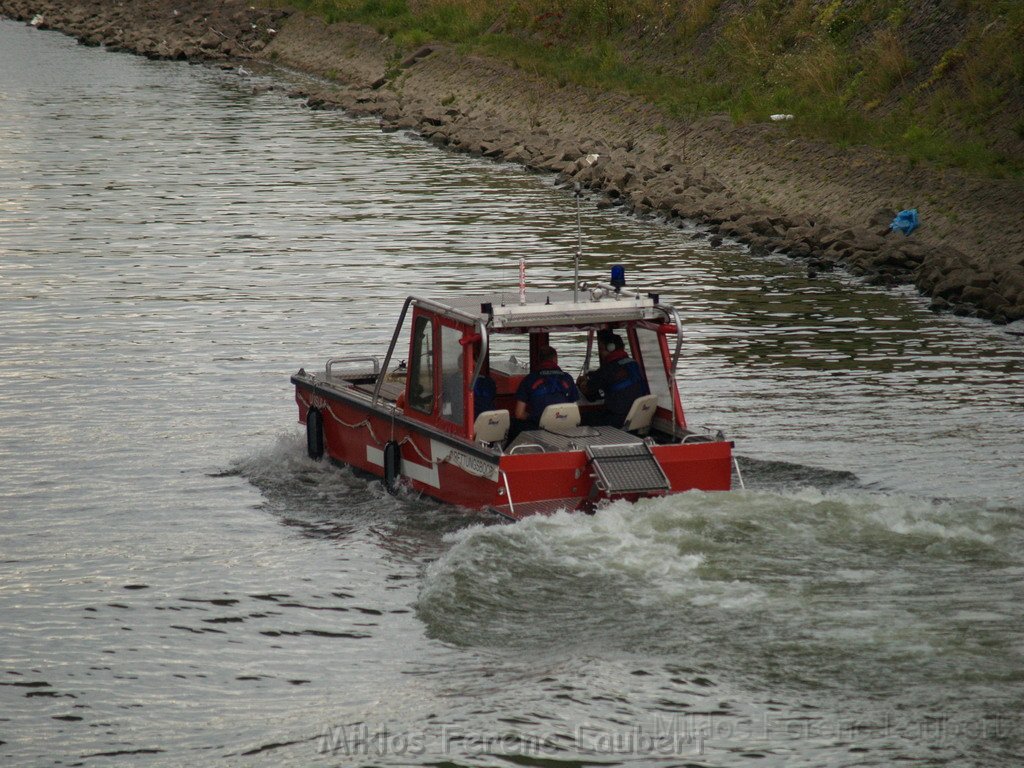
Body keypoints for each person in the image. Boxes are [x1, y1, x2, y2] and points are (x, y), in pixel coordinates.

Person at [577, 330, 649, 428]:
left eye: (601, 349)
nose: (601, 353)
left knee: (581, 417)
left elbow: (590, 393)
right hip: (638, 415)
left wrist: (581, 383)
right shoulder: (633, 363)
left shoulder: (608, 368)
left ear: (610, 348)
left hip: (617, 419)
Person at [513, 345, 579, 432]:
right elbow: (574, 409)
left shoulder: (529, 379)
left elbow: (519, 414)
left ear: (539, 360)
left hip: (538, 429)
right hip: (565, 428)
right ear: (555, 359)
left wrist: (534, 417)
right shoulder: (567, 378)